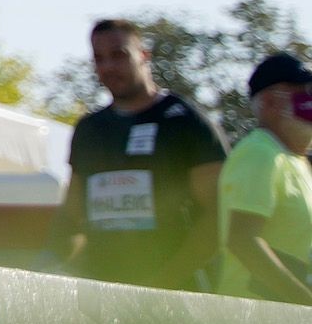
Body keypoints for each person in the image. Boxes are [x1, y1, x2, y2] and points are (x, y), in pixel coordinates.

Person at [52, 17, 226, 293]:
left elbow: (218, 216)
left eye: (119, 55)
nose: (108, 66)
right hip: (105, 299)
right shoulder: (90, 130)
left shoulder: (185, 122)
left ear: (144, 56)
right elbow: (71, 217)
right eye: (99, 58)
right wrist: (54, 270)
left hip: (179, 297)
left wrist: (163, 283)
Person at [214, 52, 312, 305]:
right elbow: (243, 240)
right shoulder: (258, 153)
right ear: (269, 103)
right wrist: (304, 303)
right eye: (304, 92)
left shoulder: (295, 160)